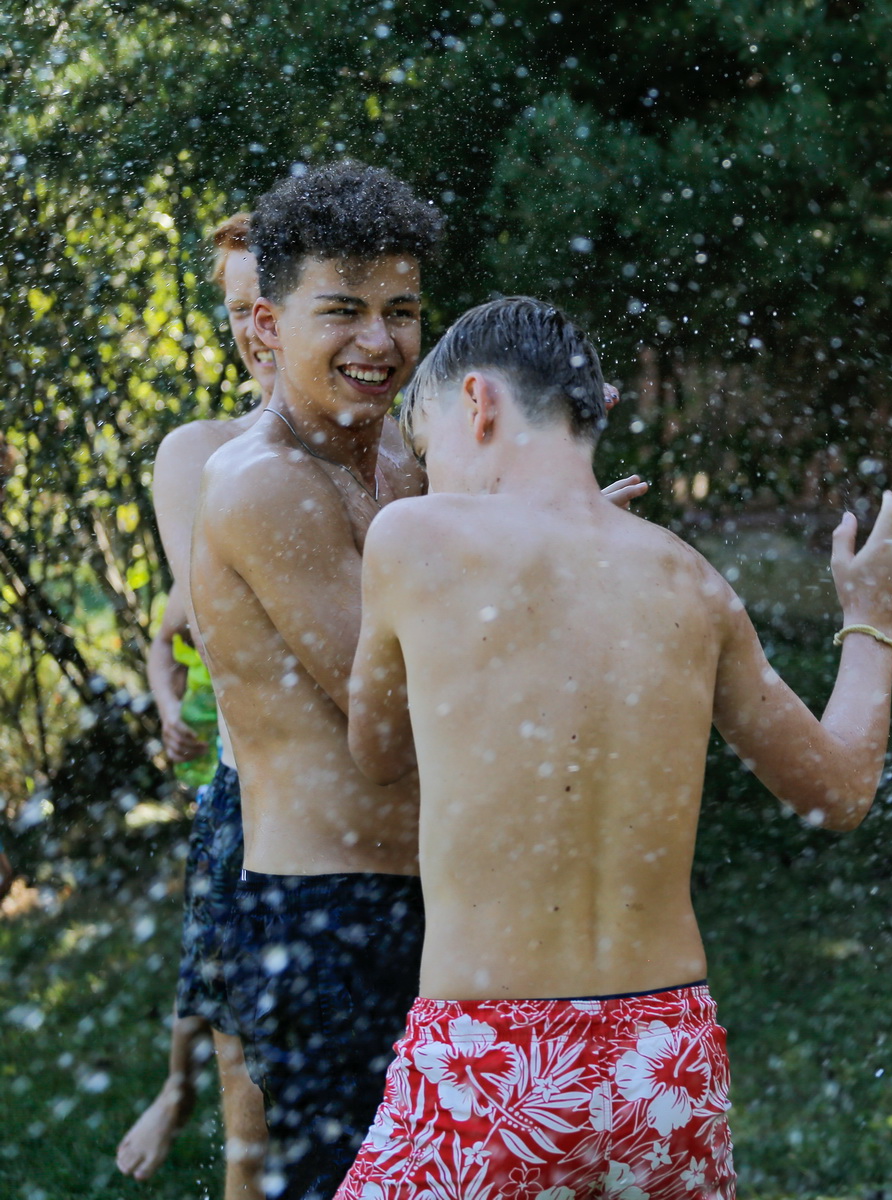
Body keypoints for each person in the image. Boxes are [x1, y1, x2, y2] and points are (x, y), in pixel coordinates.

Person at [333, 296, 892, 1199]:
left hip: (494, 1057)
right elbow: (840, 790)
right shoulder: (687, 578)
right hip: (665, 1064)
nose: (431, 483)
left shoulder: (414, 536)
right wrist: (874, 620)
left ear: (478, 403)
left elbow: (377, 749)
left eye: (428, 455)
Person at [188, 161, 440, 1200]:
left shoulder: (399, 465)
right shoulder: (267, 485)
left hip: (429, 900)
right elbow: (400, 717)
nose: (378, 341)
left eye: (401, 311)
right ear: (267, 324)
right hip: (326, 920)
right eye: (342, 310)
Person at [118, 212, 274, 1194]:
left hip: (388, 805)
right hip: (251, 788)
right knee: (236, 1043)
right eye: (236, 310)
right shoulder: (204, 453)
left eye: (268, 304)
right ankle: (183, 1095)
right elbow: (200, 620)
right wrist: (165, 697)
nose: (253, 331)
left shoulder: (400, 450)